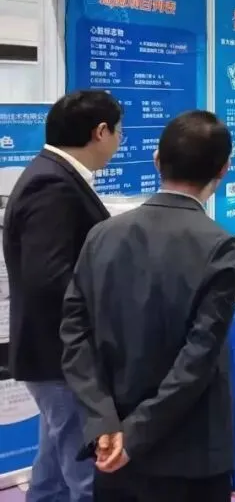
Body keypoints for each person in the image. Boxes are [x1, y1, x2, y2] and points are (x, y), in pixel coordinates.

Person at [60, 111, 235, 501]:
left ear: (157, 160)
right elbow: (197, 359)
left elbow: (74, 335)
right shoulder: (219, 246)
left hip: (111, 447)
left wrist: (104, 422)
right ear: (224, 169)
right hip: (188, 455)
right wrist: (135, 435)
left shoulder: (101, 235)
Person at [2, 90, 122, 502]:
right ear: (101, 132)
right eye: (118, 131)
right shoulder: (52, 184)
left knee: (52, 471)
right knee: (87, 475)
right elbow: (49, 277)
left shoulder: (52, 174)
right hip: (60, 355)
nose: (119, 141)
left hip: (52, 353)